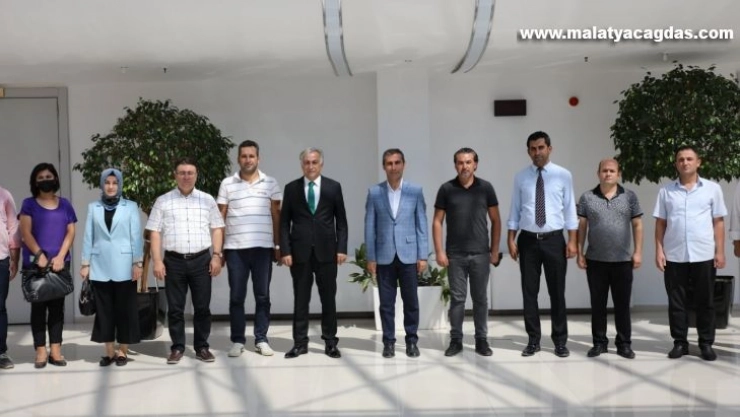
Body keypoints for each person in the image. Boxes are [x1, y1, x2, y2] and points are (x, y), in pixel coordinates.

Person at [146, 157, 225, 364]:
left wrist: (216, 255)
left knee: (202, 308)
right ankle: (178, 347)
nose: (186, 176)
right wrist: (157, 261)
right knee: (175, 309)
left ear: (196, 175)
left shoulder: (207, 200)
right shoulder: (163, 201)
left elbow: (217, 228)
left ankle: (202, 347)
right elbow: (154, 232)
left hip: (202, 261)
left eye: (190, 173)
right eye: (182, 173)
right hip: (174, 262)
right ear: (175, 175)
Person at [507, 131, 577, 358]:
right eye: (533, 149)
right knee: (529, 293)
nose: (537, 152)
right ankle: (533, 340)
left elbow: (570, 209)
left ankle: (560, 342)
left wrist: (573, 240)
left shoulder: (563, 175)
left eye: (541, 148)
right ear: (528, 151)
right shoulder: (521, 177)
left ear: (549, 149)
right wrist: (510, 238)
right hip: (527, 241)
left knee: (557, 293)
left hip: (554, 240)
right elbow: (515, 209)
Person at [654, 146, 726, 361]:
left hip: (704, 254)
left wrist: (720, 251)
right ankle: (680, 343)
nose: (685, 162)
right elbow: (660, 223)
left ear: (698, 162)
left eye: (689, 159)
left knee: (706, 301)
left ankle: (706, 343)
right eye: (681, 159)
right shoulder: (666, 191)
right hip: (674, 255)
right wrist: (659, 250)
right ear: (676, 164)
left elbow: (718, 222)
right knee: (677, 302)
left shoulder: (712, 189)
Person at [280, 147, 348, 359]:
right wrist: (285, 250)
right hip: (299, 253)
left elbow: (341, 222)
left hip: (327, 252)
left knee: (328, 299)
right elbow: (284, 223)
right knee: (301, 299)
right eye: (307, 162)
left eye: (314, 162)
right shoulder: (291, 188)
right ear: (302, 165)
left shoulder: (333, 187)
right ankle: (300, 343)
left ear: (321, 164)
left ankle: (330, 342)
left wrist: (341, 248)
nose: (311, 166)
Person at [432, 147, 501, 357]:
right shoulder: (446, 189)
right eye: (461, 162)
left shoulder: (486, 188)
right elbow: (437, 222)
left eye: (468, 162)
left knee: (480, 299)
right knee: (458, 300)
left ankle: (481, 340)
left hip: (481, 254)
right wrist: (440, 252)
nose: (465, 166)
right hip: (455, 255)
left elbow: (496, 220)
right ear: (455, 165)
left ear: (475, 164)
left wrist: (494, 251)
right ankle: (456, 340)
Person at [217, 140, 282, 357]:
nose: (248, 160)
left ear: (258, 159)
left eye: (251, 156)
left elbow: (276, 215)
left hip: (263, 249)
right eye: (244, 156)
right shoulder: (227, 184)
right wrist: (220, 250)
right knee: (237, 297)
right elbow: (220, 217)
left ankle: (261, 339)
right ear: (238, 159)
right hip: (235, 249)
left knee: (262, 296)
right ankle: (238, 340)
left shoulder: (271, 183)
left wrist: (278, 244)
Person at [364, 148, 428, 358]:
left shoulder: (415, 191)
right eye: (389, 163)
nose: (393, 167)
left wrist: (422, 255)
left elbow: (421, 224)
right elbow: (369, 227)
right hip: (384, 256)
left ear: (404, 164)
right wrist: (371, 257)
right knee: (386, 303)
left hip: (409, 254)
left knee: (411, 302)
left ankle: (412, 341)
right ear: (384, 166)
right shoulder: (374, 192)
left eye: (397, 163)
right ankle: (388, 342)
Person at [576, 159, 643, 359]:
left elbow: (637, 225)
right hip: (595, 260)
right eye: (604, 170)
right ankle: (599, 343)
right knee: (598, 305)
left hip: (622, 261)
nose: (608, 174)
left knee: (622, 305)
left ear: (618, 174)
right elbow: (582, 226)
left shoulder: (630, 196)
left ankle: (624, 344)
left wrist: (638, 252)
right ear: (598, 173)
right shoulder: (587, 197)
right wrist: (579, 252)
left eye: (612, 171)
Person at [80, 168, 143, 366]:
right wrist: (85, 263)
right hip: (99, 266)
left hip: (125, 266)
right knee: (104, 310)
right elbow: (88, 236)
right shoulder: (93, 207)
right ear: (102, 184)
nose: (111, 186)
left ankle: (122, 350)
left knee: (125, 310)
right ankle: (108, 351)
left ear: (120, 185)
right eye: (107, 182)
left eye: (115, 183)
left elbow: (136, 236)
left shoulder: (130, 206)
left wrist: (138, 262)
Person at [19, 163, 77, 368]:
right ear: (35, 182)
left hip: (60, 264)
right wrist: (39, 255)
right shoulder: (28, 204)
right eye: (41, 178)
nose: (45, 180)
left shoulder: (65, 204)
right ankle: (40, 351)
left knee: (57, 309)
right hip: (36, 264)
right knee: (38, 308)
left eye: (49, 176)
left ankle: (56, 350)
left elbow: (71, 232)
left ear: (56, 179)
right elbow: (25, 233)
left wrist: (60, 256)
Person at [0, 185, 20, 369]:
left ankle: (1, 352)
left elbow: (13, 228)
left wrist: (15, 259)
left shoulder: (4, 195)